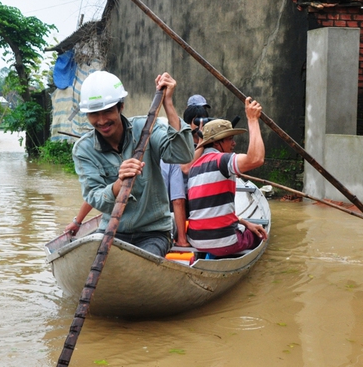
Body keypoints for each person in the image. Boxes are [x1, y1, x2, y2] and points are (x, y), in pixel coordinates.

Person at [72, 70, 194, 257]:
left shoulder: (147, 129)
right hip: (111, 229)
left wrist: (168, 103)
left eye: (107, 111)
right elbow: (94, 197)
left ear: (120, 107)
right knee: (87, 260)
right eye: (94, 114)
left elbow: (183, 154)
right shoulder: (84, 149)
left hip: (153, 232)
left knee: (142, 264)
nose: (102, 120)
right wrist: (119, 185)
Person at [186, 97, 267, 256]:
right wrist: (252, 120)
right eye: (230, 139)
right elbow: (256, 158)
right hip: (224, 242)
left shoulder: (194, 166)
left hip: (196, 240)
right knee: (259, 235)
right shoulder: (222, 160)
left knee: (243, 227)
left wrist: (243, 222)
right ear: (216, 144)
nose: (234, 143)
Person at [160, 161, 190, 247]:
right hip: (157, 230)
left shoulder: (128, 157)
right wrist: (182, 239)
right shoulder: (171, 160)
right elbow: (178, 201)